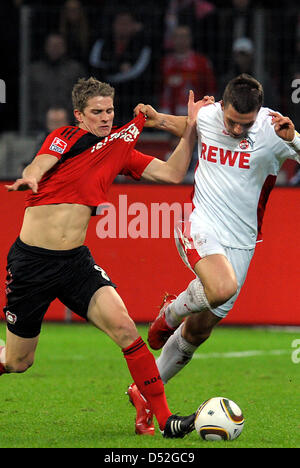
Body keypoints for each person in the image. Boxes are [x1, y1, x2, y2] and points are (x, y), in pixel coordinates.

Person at [0, 76, 214, 439]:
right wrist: (30, 176)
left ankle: (164, 420)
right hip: (31, 264)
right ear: (79, 116)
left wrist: (190, 130)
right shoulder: (66, 137)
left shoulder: (119, 149)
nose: (104, 117)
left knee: (127, 330)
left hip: (74, 265)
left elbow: (173, 172)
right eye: (96, 112)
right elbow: (41, 162)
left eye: (110, 111)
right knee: (18, 362)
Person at [129, 73, 300, 434]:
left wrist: (294, 139)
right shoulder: (208, 116)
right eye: (232, 122)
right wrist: (155, 117)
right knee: (221, 288)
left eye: (246, 124)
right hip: (200, 225)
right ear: (222, 106)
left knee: (199, 332)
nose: (238, 130)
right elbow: (188, 124)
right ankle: (169, 313)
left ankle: (143, 393)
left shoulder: (273, 130)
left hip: (242, 242)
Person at [89, 11, 152, 124]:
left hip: (130, 99)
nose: (123, 27)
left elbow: (136, 74)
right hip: (103, 97)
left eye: (127, 23)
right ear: (113, 25)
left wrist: (109, 71)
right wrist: (118, 67)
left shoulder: (142, 46)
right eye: (120, 23)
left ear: (134, 26)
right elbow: (94, 66)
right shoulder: (102, 43)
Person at [29, 33, 86, 132]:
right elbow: (28, 100)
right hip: (39, 125)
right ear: (46, 47)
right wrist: (41, 118)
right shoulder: (34, 71)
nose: (55, 48)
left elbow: (83, 98)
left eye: (58, 45)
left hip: (71, 123)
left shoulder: (75, 69)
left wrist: (68, 116)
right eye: (52, 45)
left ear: (65, 47)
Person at [159, 25, 216, 116]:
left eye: (184, 37)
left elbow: (210, 86)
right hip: (167, 112)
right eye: (177, 37)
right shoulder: (165, 62)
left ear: (190, 39)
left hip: (194, 111)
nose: (180, 40)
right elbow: (159, 87)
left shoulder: (201, 61)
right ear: (172, 40)